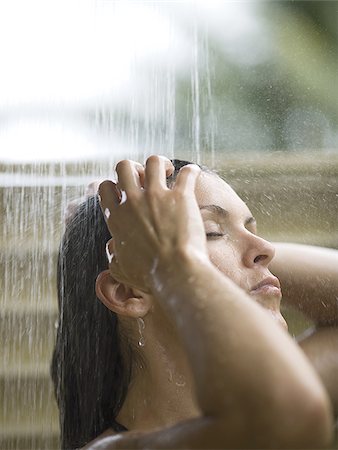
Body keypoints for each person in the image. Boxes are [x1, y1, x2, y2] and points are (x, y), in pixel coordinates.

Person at [51, 155, 338, 449]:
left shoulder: (271, 396)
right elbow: (289, 417)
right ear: (128, 292)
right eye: (211, 232)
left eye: (252, 230)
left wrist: (150, 246)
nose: (266, 249)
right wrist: (167, 259)